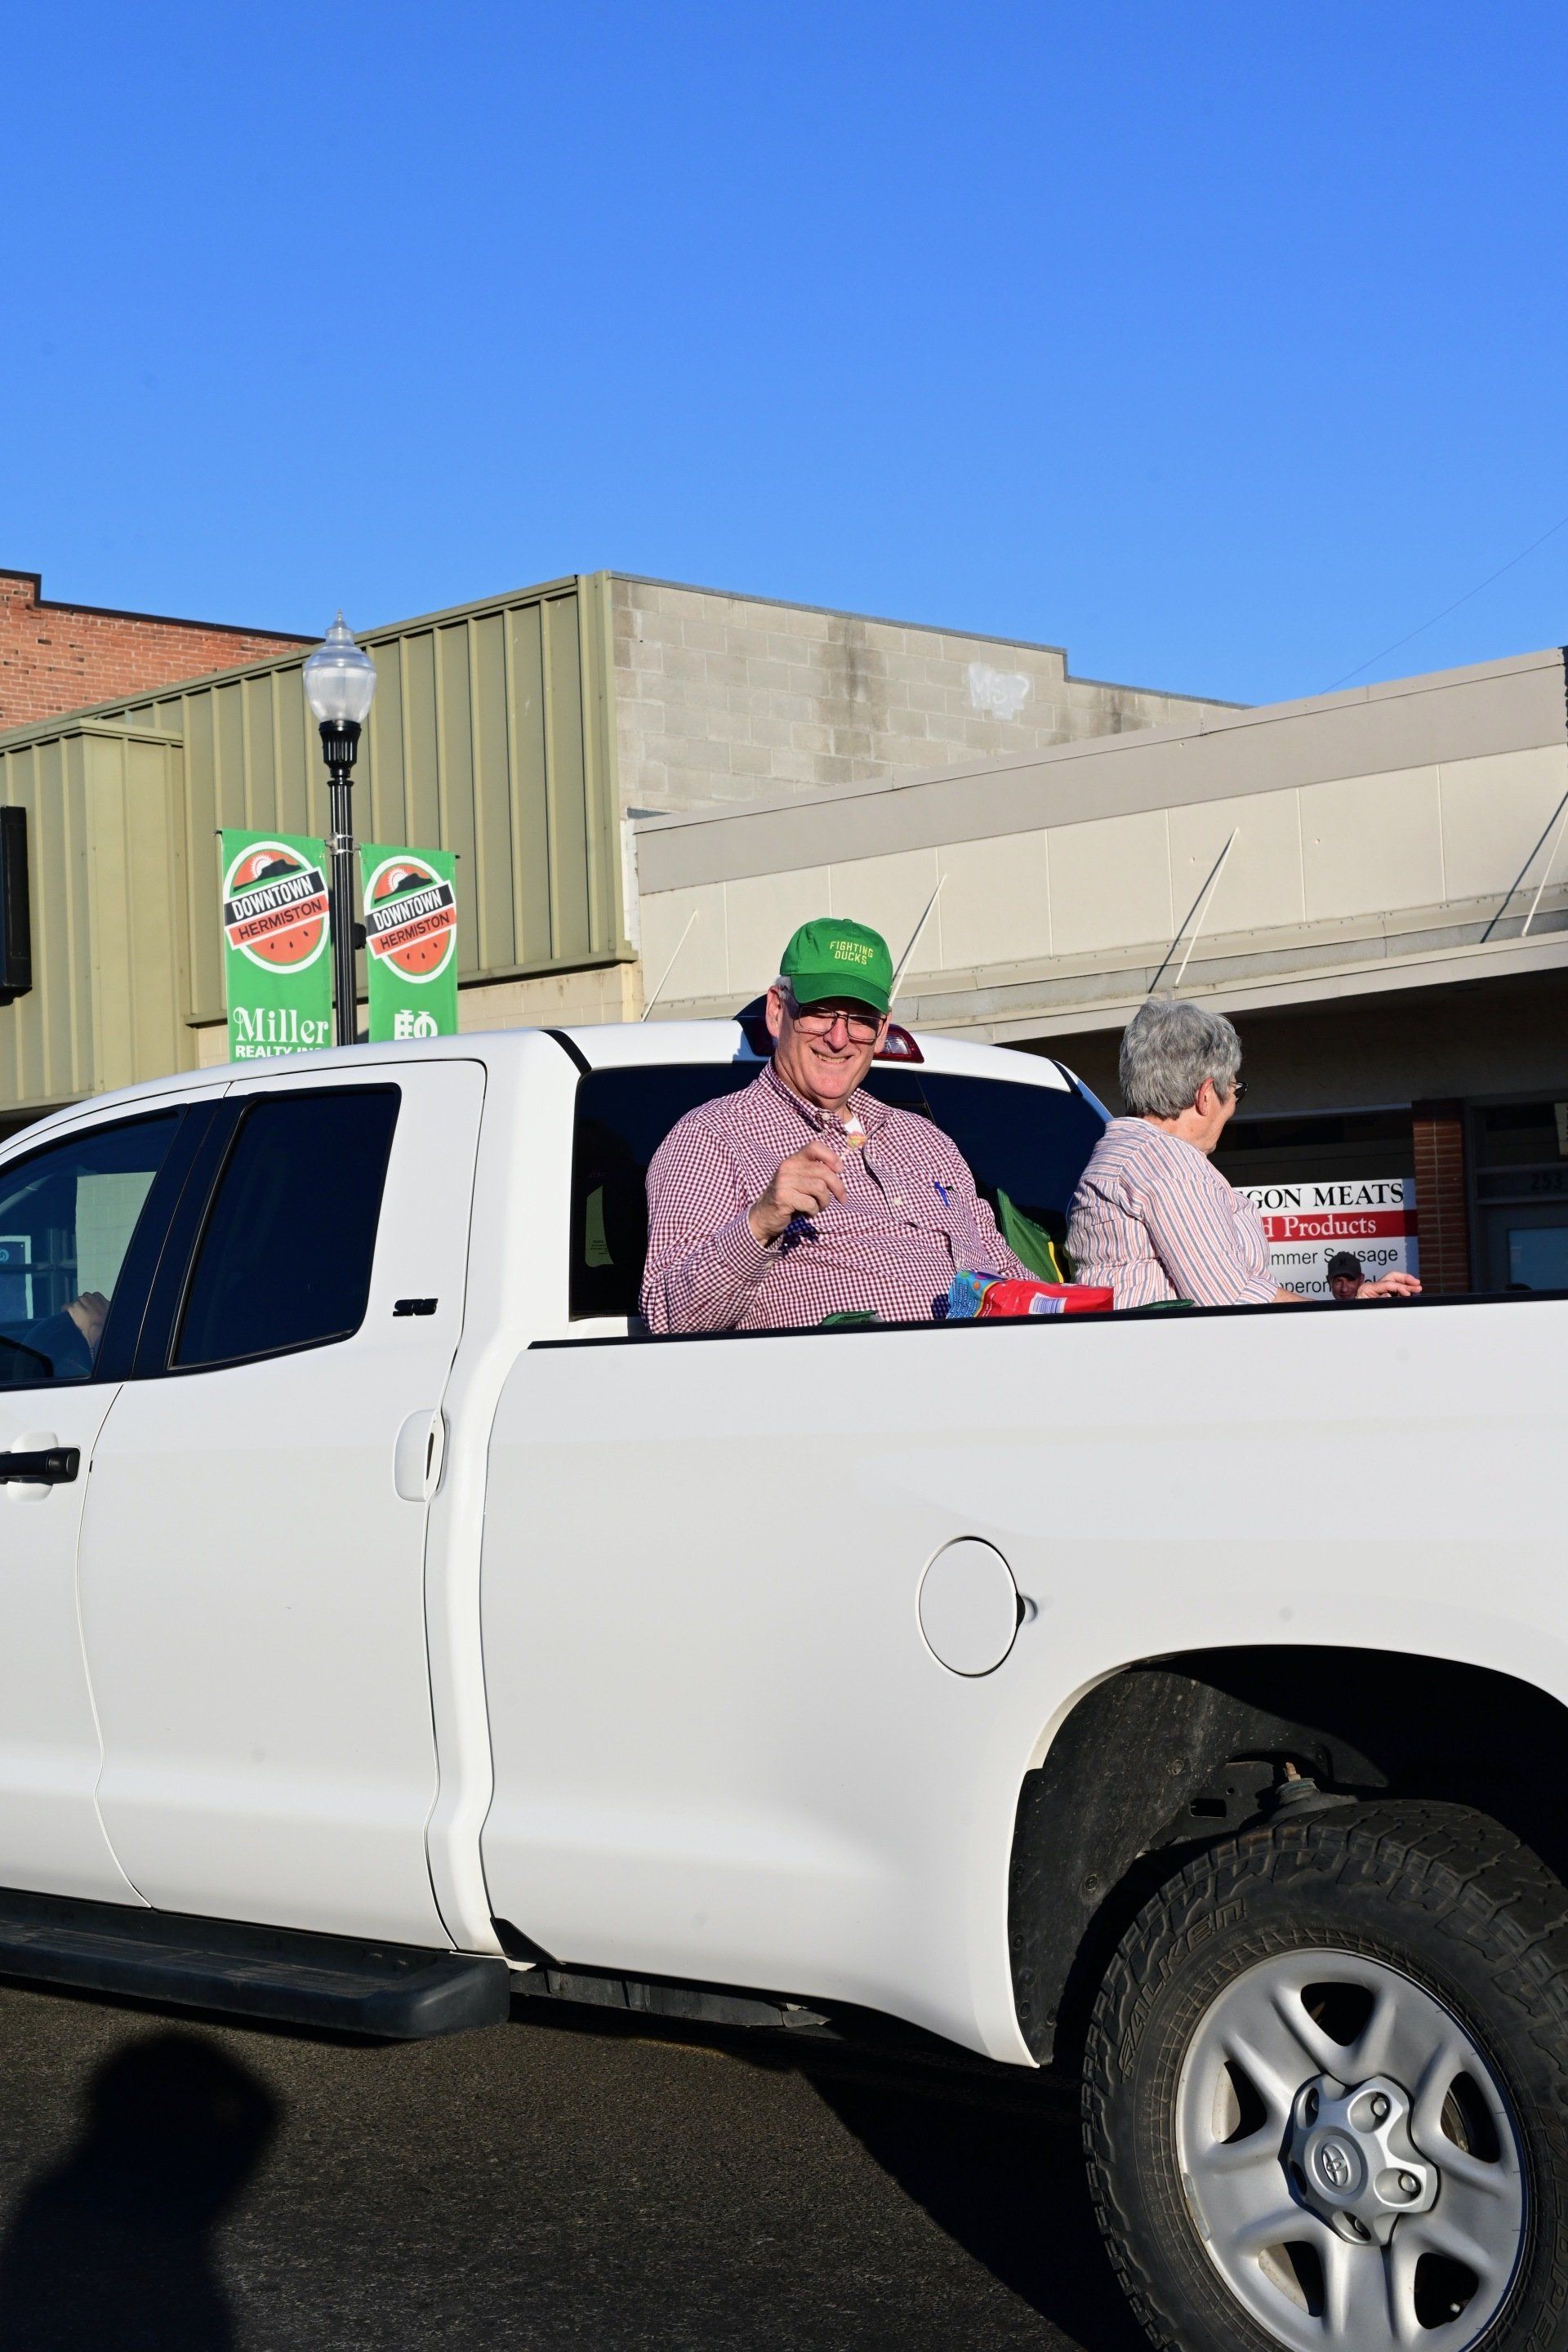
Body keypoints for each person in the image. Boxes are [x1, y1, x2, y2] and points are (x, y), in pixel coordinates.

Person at [641, 918, 1034, 1333]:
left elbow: (1012, 1279)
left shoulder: (928, 1143)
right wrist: (763, 1221)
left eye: (861, 1018)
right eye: (819, 1012)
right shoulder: (712, 1136)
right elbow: (669, 1318)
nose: (838, 1038)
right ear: (777, 1011)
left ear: (882, 1030)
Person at [1067, 998, 1422, 1310]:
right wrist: (1346, 1315)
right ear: (1206, 1095)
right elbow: (1233, 1301)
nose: (1234, 1104)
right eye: (1236, 1089)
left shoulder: (1117, 1155)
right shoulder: (1168, 1164)